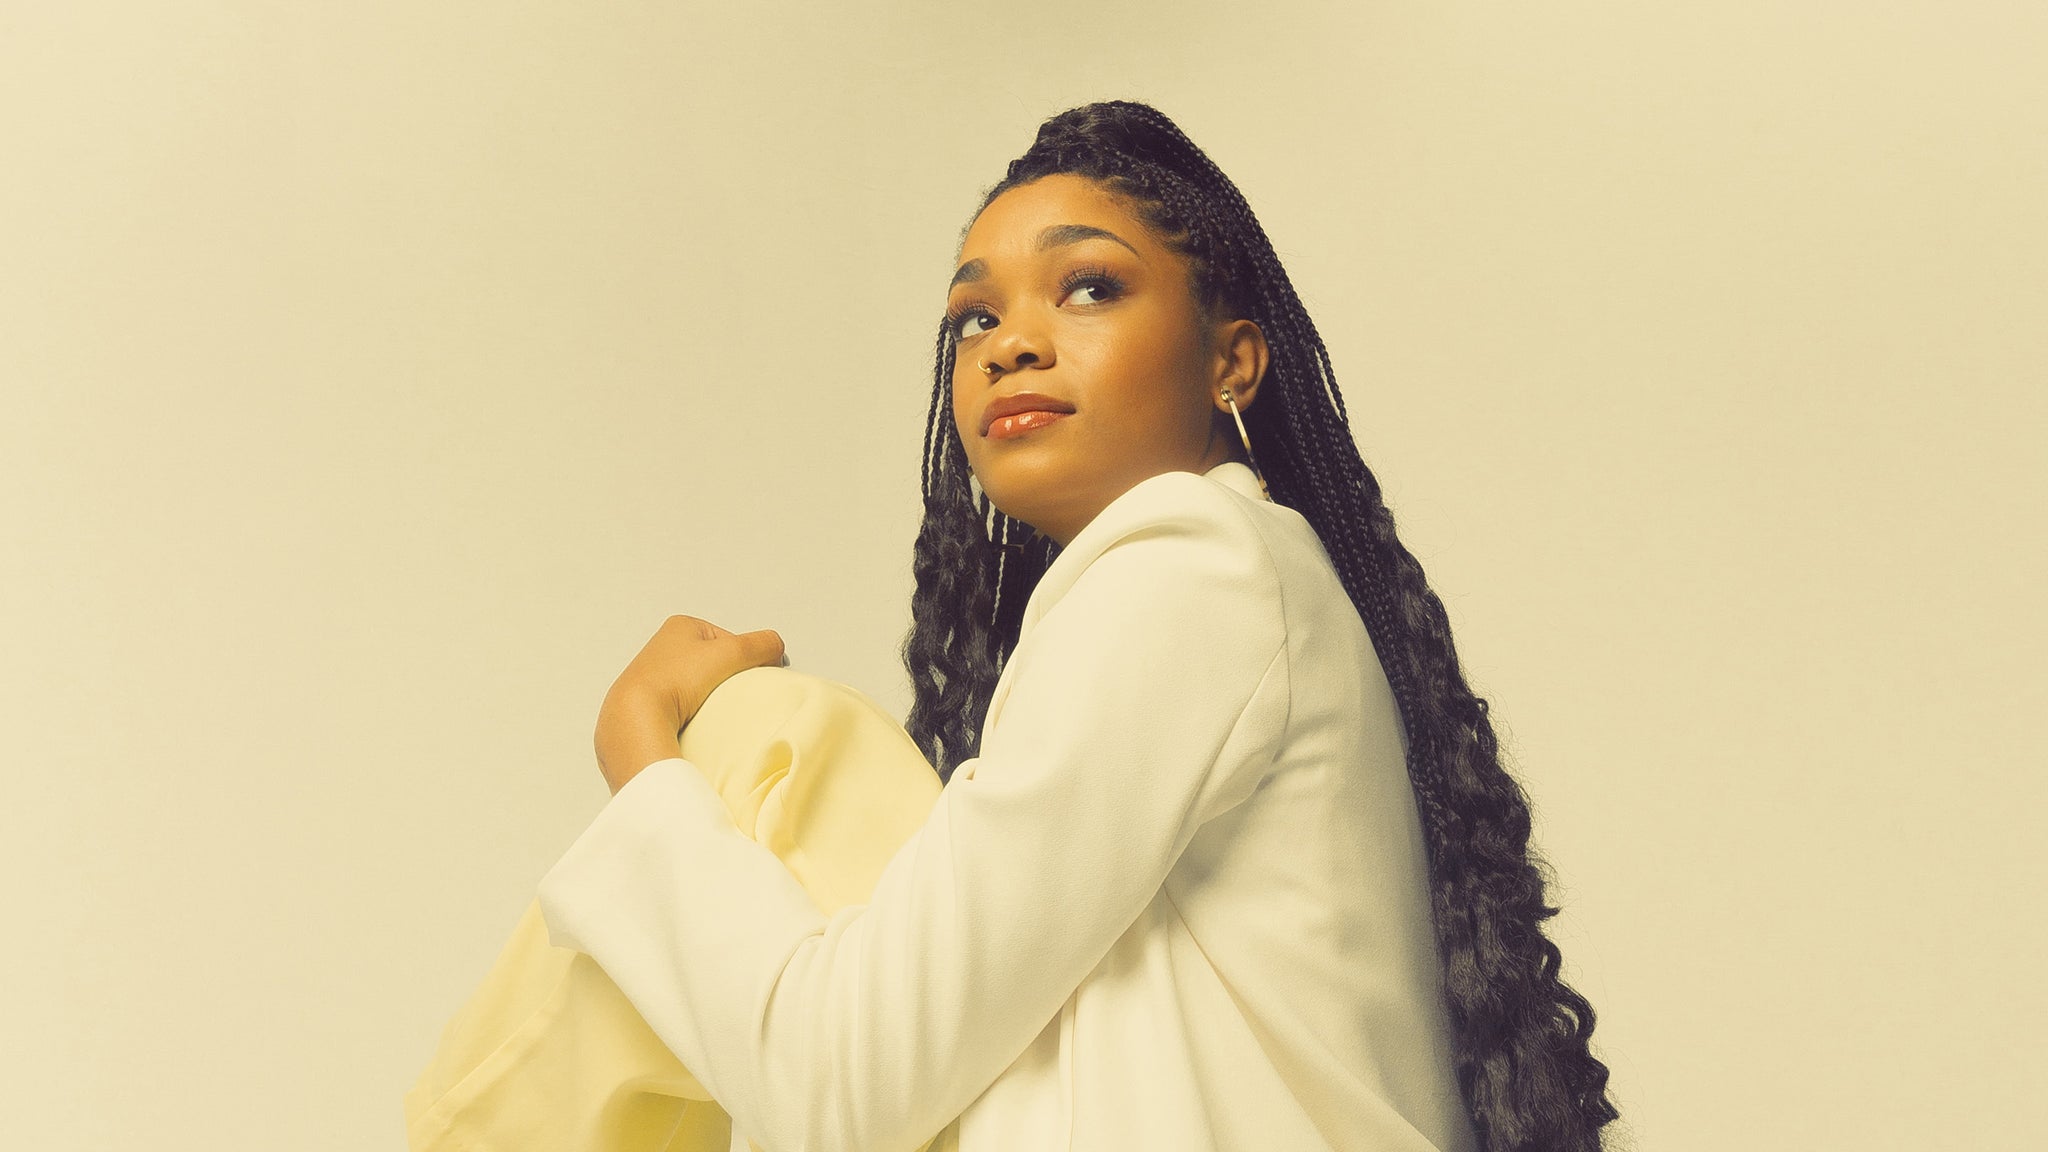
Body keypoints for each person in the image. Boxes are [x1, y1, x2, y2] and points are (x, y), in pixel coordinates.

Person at [538, 100, 1620, 1151]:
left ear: (1231, 360)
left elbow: (839, 1082)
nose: (1010, 343)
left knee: (763, 739)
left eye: (1089, 288)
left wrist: (641, 752)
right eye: (976, 317)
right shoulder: (1218, 581)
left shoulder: (1192, 569)